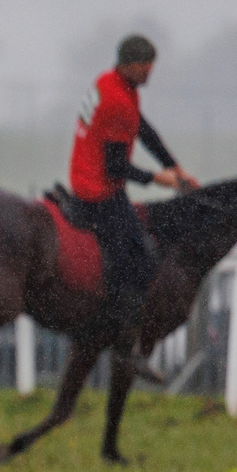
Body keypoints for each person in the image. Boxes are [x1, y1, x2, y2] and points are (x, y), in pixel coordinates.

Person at [67, 33, 198, 338]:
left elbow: (143, 129)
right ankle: (116, 330)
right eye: (147, 67)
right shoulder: (117, 101)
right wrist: (157, 179)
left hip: (84, 174)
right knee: (140, 256)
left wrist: (173, 165)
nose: (150, 72)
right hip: (97, 190)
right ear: (133, 65)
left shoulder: (111, 83)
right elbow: (116, 167)